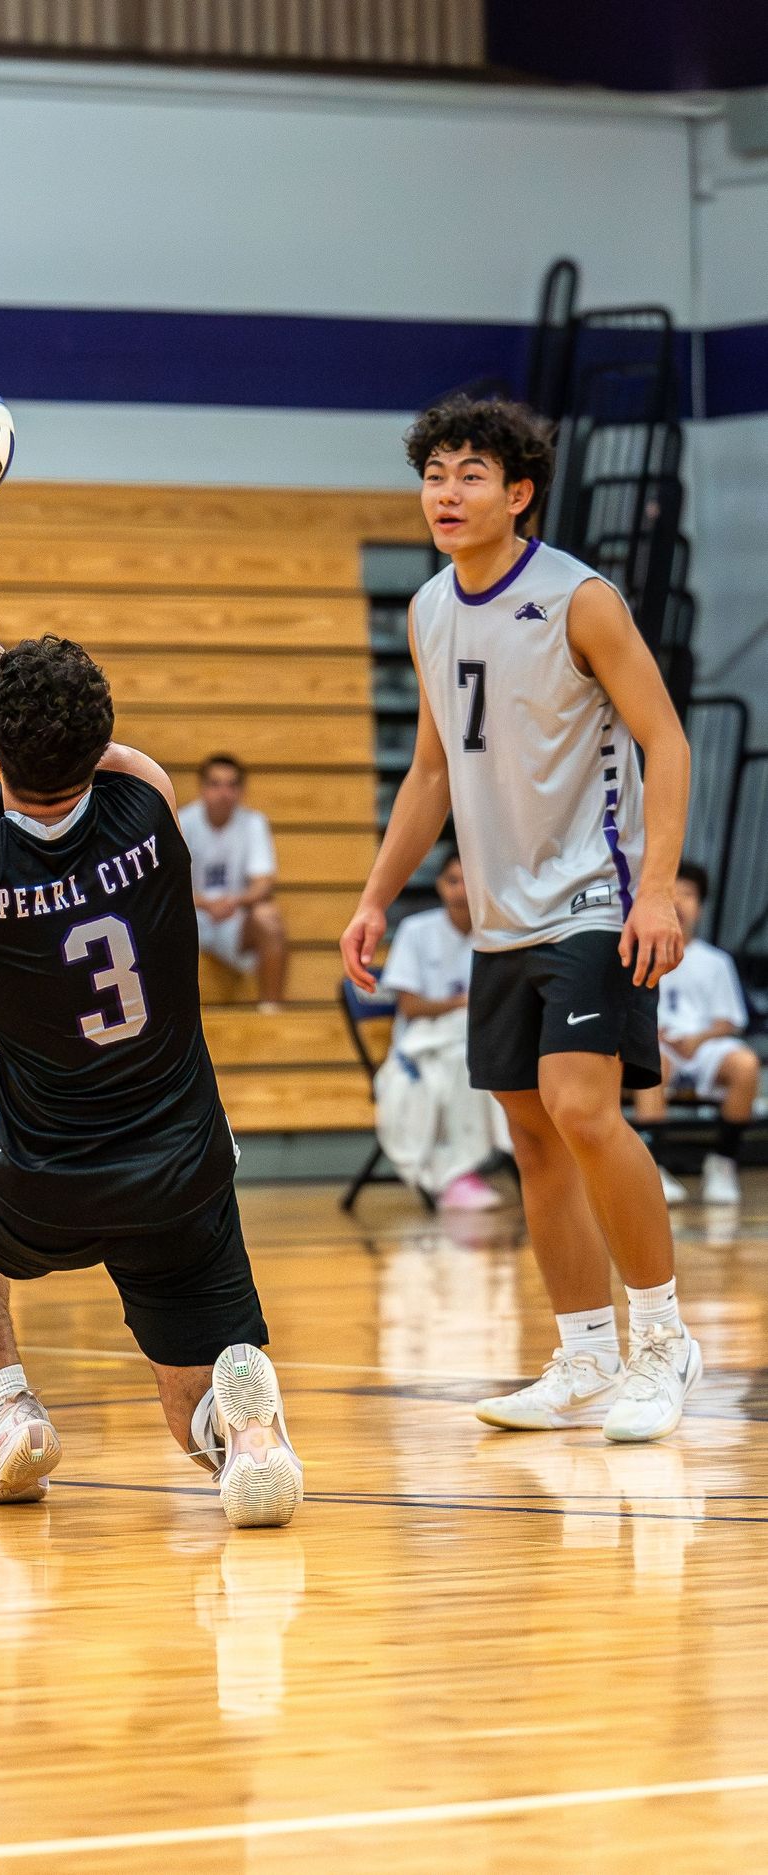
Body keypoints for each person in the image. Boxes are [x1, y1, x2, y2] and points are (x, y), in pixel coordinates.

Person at [0, 593, 301, 1529]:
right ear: (99, 738)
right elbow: (52, 736)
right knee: (187, 1418)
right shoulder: (148, 799)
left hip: (49, 1178)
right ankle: (249, 1435)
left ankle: (10, 1414)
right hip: (183, 1169)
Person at [342, 393, 699, 1444]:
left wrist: (657, 887)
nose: (446, 493)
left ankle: (662, 1342)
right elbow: (431, 772)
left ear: (518, 492)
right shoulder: (428, 610)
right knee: (535, 1139)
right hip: (500, 916)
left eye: (469, 474)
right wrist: (373, 894)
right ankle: (585, 1355)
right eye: (435, 474)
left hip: (594, 893)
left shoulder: (580, 599)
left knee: (584, 1108)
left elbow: (665, 743)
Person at [375, 847, 510, 1210]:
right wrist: (463, 1005)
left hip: (478, 1040)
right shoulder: (416, 931)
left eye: (469, 881)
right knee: (462, 1064)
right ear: (439, 886)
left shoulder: (498, 934)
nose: (461, 890)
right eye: (453, 880)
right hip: (420, 1050)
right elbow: (409, 1006)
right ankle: (457, 1173)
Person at [635, 861, 761, 1208]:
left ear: (700, 907)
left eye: (688, 894)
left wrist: (700, 1040)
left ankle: (722, 1163)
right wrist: (652, 1032)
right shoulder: (639, 953)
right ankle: (653, 1167)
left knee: (746, 1064)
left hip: (704, 1046)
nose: (678, 901)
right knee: (651, 1063)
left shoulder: (716, 961)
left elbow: (731, 1019)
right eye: (671, 892)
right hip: (659, 1046)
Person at [180, 755, 288, 1010]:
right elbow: (166, 882)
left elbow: (263, 882)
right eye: (215, 784)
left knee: (268, 917)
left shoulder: (253, 822)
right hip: (189, 917)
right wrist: (206, 903)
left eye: (231, 785)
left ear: (241, 790)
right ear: (203, 788)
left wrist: (234, 901)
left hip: (234, 918)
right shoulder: (182, 821)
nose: (223, 792)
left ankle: (271, 1011)